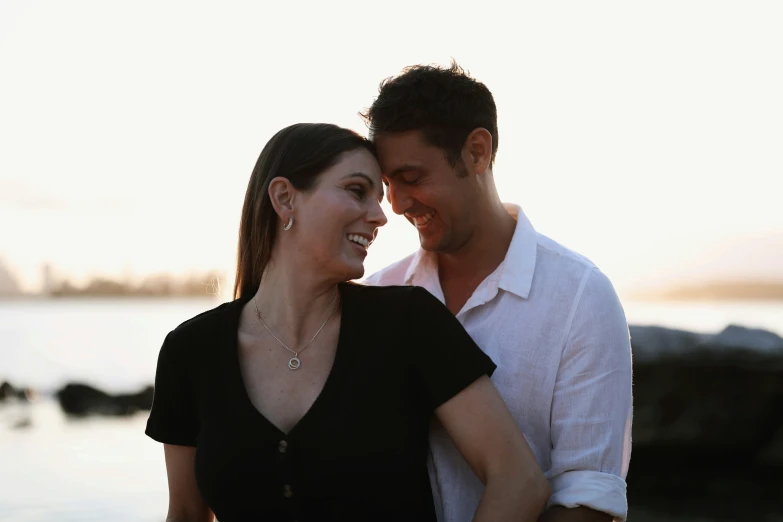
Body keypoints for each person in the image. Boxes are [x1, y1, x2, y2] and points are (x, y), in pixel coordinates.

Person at [145, 123, 550, 522]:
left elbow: (518, 480)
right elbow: (185, 513)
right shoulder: (190, 351)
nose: (380, 216)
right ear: (285, 199)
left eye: (378, 197)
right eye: (357, 191)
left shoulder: (409, 323)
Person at [362, 63, 633, 522]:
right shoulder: (375, 295)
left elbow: (588, 497)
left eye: (412, 178)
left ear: (477, 151)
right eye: (387, 185)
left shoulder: (580, 298)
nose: (397, 205)